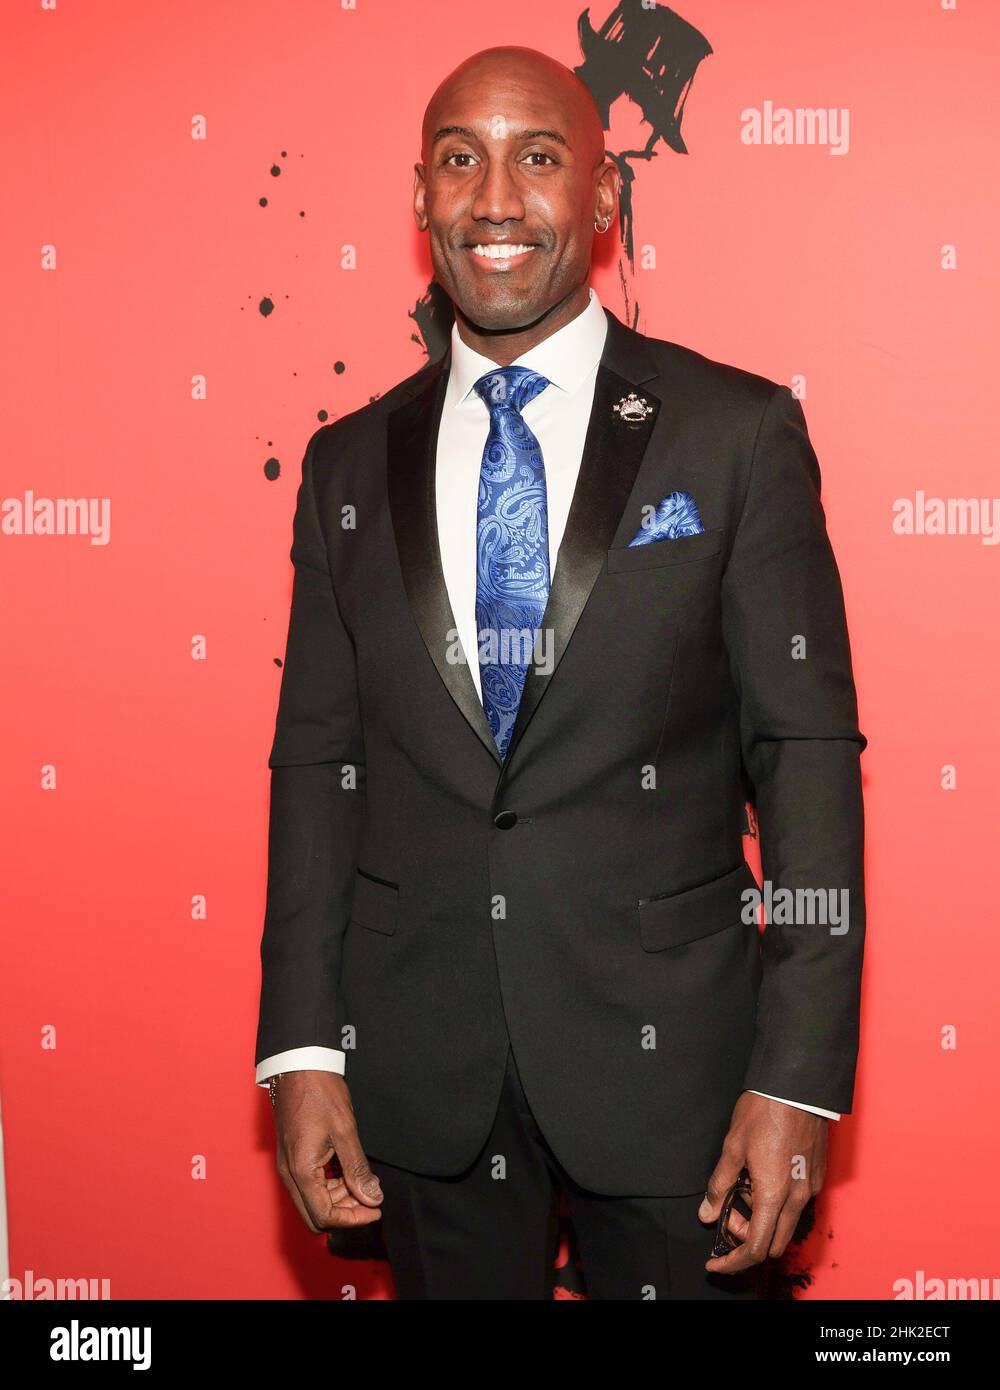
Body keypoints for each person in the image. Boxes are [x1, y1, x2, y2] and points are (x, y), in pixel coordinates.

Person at [253, 45, 867, 1300]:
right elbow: (320, 764)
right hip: (421, 1077)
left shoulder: (734, 434)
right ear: (418, 197)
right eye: (458, 160)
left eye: (538, 158)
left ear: (600, 196)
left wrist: (796, 1071)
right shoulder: (344, 466)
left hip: (678, 1081)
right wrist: (304, 1045)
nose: (494, 198)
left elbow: (801, 754)